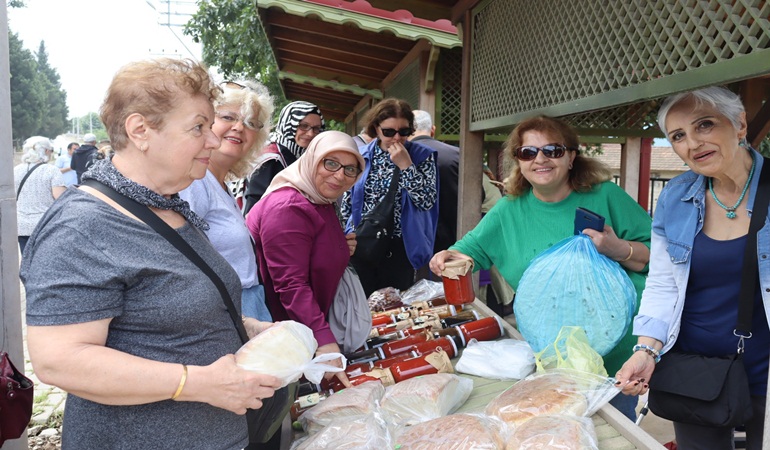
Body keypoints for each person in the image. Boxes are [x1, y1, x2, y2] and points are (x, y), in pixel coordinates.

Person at [21, 58, 281, 450]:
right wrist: (197, 383)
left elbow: (168, 313)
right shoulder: (82, 225)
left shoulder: (168, 204)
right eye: (198, 127)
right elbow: (59, 360)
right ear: (140, 130)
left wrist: (247, 328)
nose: (213, 141)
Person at [429, 115, 651, 420]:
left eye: (553, 150)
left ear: (571, 157)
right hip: (549, 356)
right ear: (518, 161)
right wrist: (447, 256)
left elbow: (659, 257)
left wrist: (619, 249)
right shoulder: (508, 210)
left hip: (613, 360)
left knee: (613, 432)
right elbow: (470, 251)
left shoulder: (606, 196)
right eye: (528, 152)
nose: (540, 159)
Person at [615, 86, 769, 449]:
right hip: (695, 372)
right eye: (678, 136)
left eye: (705, 125)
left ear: (740, 125)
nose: (693, 143)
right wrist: (646, 350)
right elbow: (663, 284)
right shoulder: (676, 196)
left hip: (764, 370)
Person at [247, 130, 362, 386]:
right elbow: (291, 284)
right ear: (312, 160)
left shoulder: (320, 200)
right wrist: (324, 340)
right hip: (281, 341)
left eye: (350, 169)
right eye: (330, 163)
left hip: (301, 331)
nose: (340, 175)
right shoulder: (289, 207)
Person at [181, 79, 274, 322]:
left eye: (250, 122)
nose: (239, 127)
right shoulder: (195, 182)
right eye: (228, 117)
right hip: (223, 315)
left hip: (245, 308)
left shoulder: (220, 184)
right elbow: (181, 264)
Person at [341, 98, 439, 296]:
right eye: (388, 132)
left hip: (401, 246)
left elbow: (427, 201)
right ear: (376, 128)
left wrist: (406, 166)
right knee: (361, 302)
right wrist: (346, 234)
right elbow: (347, 201)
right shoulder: (361, 155)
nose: (396, 138)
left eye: (403, 131)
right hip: (364, 242)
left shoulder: (422, 156)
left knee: (396, 304)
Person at [242, 100, 325, 214]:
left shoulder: (301, 157)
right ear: (288, 124)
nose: (310, 133)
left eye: (316, 128)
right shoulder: (272, 158)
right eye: (304, 126)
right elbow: (254, 206)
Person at [409, 110, 459, 254]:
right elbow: (478, 195)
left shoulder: (400, 157)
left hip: (413, 238)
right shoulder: (457, 154)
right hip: (452, 235)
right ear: (433, 130)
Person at [14, 136, 66, 253]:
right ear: (46, 151)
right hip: (45, 225)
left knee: (26, 258)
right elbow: (61, 198)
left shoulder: (16, 170)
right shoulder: (51, 170)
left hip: (21, 225)